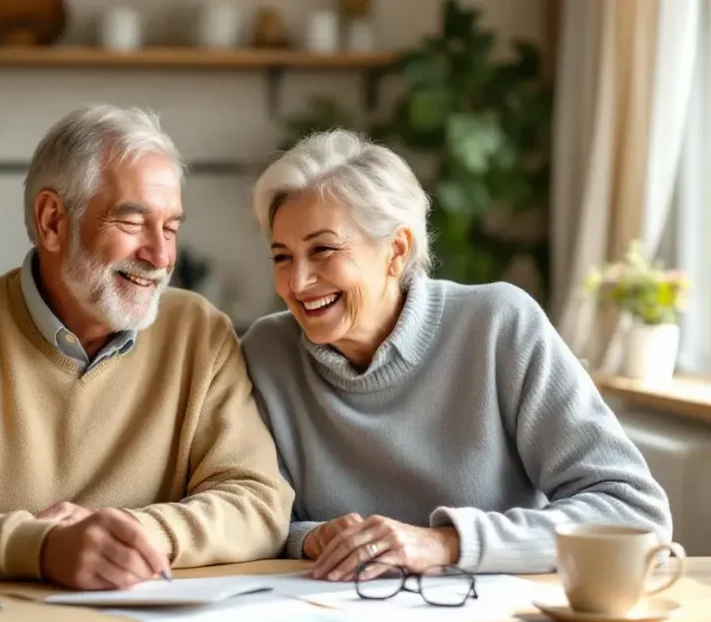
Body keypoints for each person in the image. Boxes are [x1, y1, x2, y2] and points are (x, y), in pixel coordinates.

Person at [0, 105, 294, 590]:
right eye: (133, 223)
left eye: (170, 228)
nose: (162, 256)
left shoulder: (199, 331)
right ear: (52, 221)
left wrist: (127, 537)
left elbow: (258, 502)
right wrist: (44, 549)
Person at [240, 129, 673, 582]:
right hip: (327, 621)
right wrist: (311, 537)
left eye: (322, 250)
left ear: (396, 250)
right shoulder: (267, 354)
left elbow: (634, 513)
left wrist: (446, 543)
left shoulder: (498, 325)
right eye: (282, 257)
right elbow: (257, 514)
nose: (298, 282)